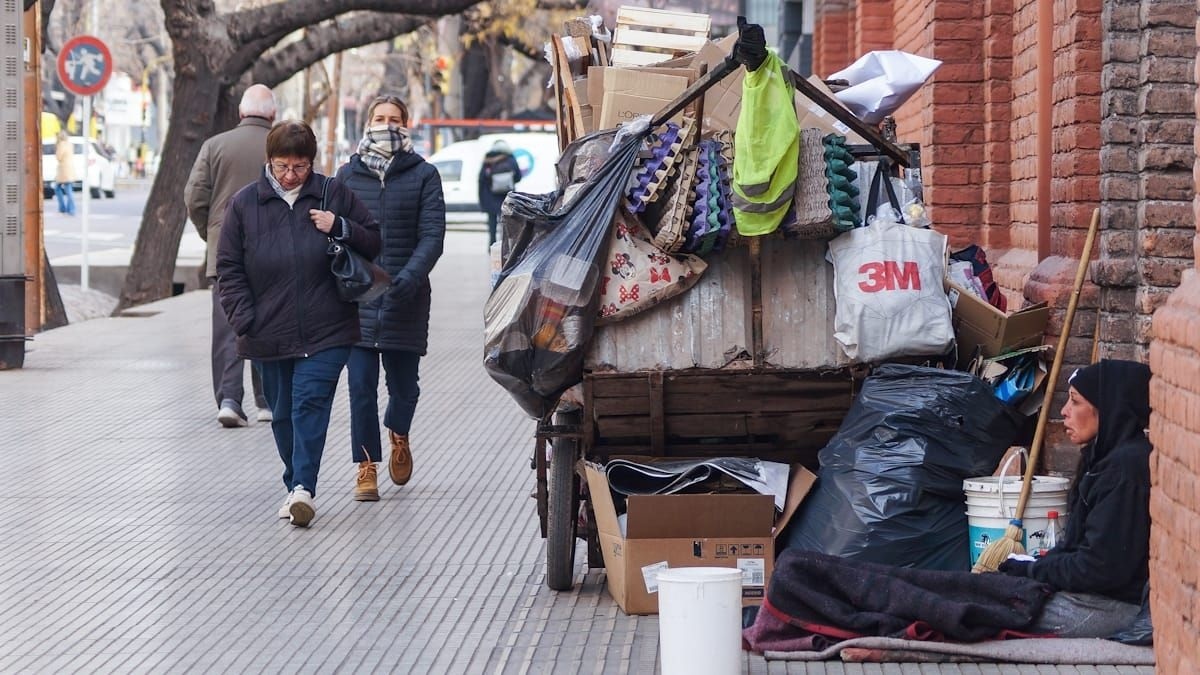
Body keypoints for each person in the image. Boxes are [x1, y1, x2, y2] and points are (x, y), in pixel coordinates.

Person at [217, 120, 381, 527]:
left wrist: (338, 226)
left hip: (329, 327)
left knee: (310, 402)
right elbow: (229, 268)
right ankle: (294, 485)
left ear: (313, 163)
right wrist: (244, 319)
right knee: (283, 412)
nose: (291, 175)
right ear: (268, 161)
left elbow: (374, 240)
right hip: (267, 330)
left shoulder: (332, 193)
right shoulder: (244, 205)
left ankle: (305, 487)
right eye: (282, 166)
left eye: (300, 166)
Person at [335, 95, 445, 501]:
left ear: (407, 124)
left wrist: (409, 278)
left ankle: (399, 432)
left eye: (394, 119)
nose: (386, 125)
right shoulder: (347, 176)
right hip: (359, 301)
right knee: (360, 387)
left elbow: (432, 236)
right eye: (379, 119)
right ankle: (366, 465)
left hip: (406, 299)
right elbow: (336, 232)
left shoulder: (424, 175)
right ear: (367, 124)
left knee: (405, 388)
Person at [998, 359, 1152, 637]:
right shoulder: (1102, 460)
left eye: (1075, 402)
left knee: (988, 603)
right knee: (985, 586)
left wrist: (1035, 571)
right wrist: (1035, 566)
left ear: (1108, 409)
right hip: (1088, 594)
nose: (1064, 412)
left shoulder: (1126, 471)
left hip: (1111, 606)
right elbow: (1075, 550)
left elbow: (1100, 569)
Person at [185, 83, 277, 428]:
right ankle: (267, 400)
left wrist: (211, 232)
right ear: (273, 115)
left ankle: (229, 399)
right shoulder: (280, 145)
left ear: (241, 113)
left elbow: (194, 197)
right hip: (272, 251)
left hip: (225, 252)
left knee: (227, 326)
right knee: (269, 321)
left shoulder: (214, 146)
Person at [477, 139, 521, 248]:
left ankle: (492, 246)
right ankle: (505, 247)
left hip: (490, 197)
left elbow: (482, 179)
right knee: (506, 223)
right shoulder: (510, 159)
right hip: (506, 197)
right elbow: (518, 176)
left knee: (492, 224)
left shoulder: (487, 160)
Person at [54, 130, 76, 215]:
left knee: (60, 188)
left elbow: (58, 157)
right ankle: (68, 209)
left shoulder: (61, 144)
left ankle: (66, 208)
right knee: (68, 189)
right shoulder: (69, 144)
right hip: (69, 168)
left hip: (64, 169)